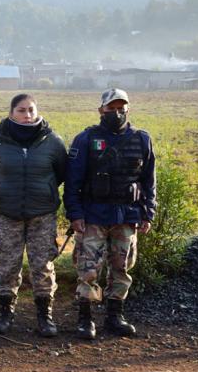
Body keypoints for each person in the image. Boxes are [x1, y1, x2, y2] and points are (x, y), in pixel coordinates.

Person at [65, 88, 156, 339]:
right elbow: (73, 182)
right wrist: (75, 215)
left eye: (121, 107)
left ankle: (115, 317)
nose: (116, 112)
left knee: (122, 267)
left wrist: (148, 213)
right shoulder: (85, 140)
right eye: (111, 108)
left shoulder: (142, 139)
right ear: (101, 110)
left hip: (127, 215)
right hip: (93, 214)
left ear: (128, 109)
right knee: (88, 268)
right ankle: (86, 319)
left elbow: (149, 181)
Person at [0, 94, 67, 337]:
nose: (27, 115)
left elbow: (61, 173)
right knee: (8, 265)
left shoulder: (52, 142)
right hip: (8, 214)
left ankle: (44, 317)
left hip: (42, 215)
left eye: (31, 110)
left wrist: (43, 191)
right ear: (11, 113)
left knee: (43, 266)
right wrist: (3, 191)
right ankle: (5, 314)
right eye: (21, 110)